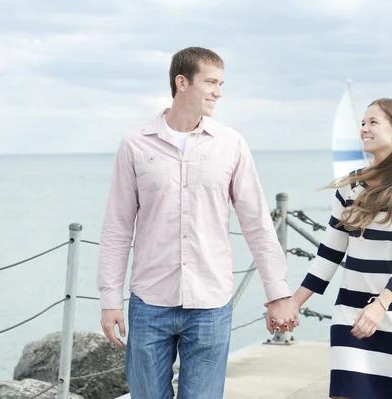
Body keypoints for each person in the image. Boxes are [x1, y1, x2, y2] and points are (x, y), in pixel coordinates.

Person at [96, 46, 298, 399]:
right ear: (182, 82)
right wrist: (110, 299)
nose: (219, 92)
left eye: (221, 83)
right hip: (149, 302)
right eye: (211, 82)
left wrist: (278, 292)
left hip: (210, 304)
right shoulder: (134, 144)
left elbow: (257, 224)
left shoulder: (231, 145)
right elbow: (117, 227)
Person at [290, 98, 392, 399]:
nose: (364, 129)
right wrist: (293, 303)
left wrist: (380, 305)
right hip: (351, 312)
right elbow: (329, 254)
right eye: (362, 123)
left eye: (373, 122)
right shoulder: (351, 185)